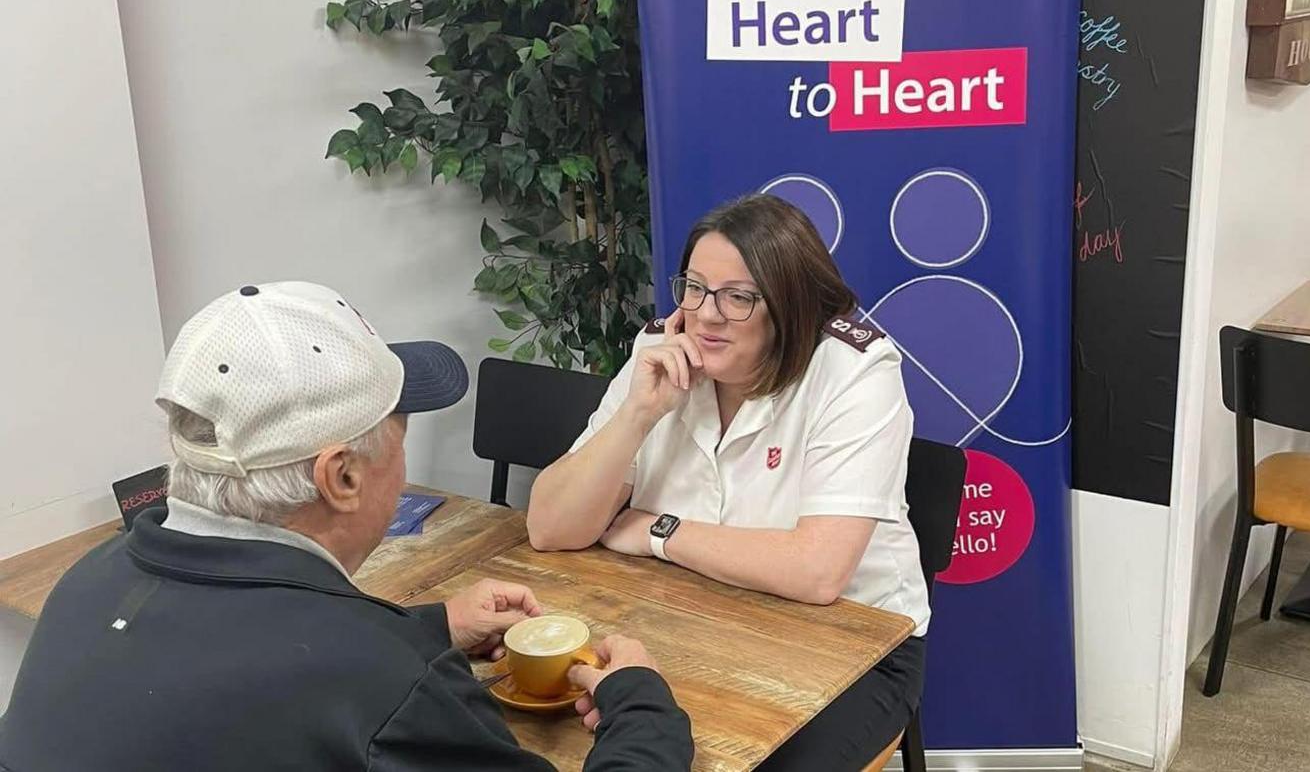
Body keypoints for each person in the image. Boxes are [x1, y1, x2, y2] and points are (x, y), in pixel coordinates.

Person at [0, 281, 693, 772]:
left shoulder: (84, 587)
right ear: (342, 476)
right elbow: (335, 681)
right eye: (399, 433)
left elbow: (254, 662)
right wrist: (642, 711)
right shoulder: (388, 687)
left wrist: (424, 627)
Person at [527, 194, 927, 771]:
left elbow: (817, 571)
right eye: (693, 287)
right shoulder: (660, 350)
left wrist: (658, 531)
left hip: (852, 645)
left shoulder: (852, 370)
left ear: (792, 306)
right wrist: (638, 413)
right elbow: (549, 528)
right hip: (684, 614)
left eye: (738, 297)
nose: (706, 314)